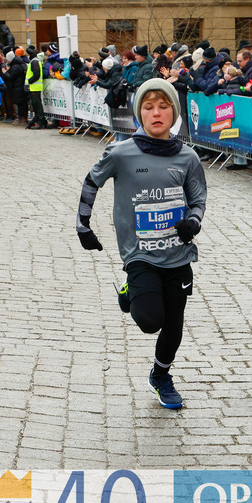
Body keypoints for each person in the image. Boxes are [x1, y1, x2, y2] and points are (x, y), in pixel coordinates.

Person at [75, 78, 207, 410]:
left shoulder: (188, 157)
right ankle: (131, 290)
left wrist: (193, 221)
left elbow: (198, 199)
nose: (157, 112)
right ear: (139, 113)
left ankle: (161, 377)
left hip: (178, 255)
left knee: (173, 325)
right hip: (140, 255)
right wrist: (83, 225)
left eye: (164, 106)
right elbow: (92, 182)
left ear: (174, 112)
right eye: (149, 107)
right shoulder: (121, 152)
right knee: (151, 321)